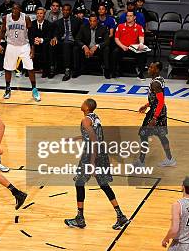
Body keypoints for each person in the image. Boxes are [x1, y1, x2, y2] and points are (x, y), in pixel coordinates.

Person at [64, 98, 129, 230]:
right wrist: (75, 138)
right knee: (104, 184)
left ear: (87, 107)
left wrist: (92, 163)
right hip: (101, 153)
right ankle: (120, 216)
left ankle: (80, 219)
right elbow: (94, 136)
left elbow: (93, 140)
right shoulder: (95, 117)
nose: (81, 104)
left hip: (91, 154)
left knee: (79, 183)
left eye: (84, 103)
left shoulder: (86, 120)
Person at [0, 3, 40, 101]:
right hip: (11, 45)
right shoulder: (6, 18)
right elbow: (2, 31)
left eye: (17, 9)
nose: (14, 10)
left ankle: (34, 89)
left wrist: (32, 49)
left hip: (24, 45)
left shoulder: (26, 18)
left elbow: (31, 34)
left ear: (20, 10)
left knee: (30, 68)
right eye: (13, 8)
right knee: (8, 68)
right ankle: (7, 88)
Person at [134, 62, 175, 167]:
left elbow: (161, 101)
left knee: (143, 134)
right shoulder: (159, 79)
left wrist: (154, 117)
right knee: (162, 136)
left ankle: (141, 161)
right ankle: (170, 159)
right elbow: (157, 99)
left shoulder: (155, 84)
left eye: (152, 67)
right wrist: (147, 105)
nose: (149, 68)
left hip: (156, 112)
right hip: (159, 110)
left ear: (157, 70)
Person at [112, 11, 147, 79]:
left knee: (142, 52)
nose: (128, 17)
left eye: (130, 16)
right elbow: (116, 39)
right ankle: (114, 72)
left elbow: (141, 38)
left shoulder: (139, 27)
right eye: (127, 16)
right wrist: (122, 46)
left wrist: (141, 44)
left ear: (134, 17)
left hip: (133, 49)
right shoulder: (120, 26)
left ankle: (141, 73)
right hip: (122, 48)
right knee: (115, 52)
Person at [75, 12, 111, 78]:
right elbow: (77, 39)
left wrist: (97, 46)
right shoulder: (83, 27)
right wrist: (84, 46)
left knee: (106, 48)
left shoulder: (103, 28)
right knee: (76, 48)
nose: (92, 23)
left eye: (94, 21)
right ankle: (77, 70)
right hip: (87, 48)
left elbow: (107, 41)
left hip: (97, 49)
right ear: (89, 21)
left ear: (97, 21)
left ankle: (107, 70)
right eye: (90, 21)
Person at [52, 3, 81, 80]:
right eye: (64, 10)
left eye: (67, 10)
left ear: (70, 11)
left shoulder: (76, 21)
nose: (65, 12)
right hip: (62, 41)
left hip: (73, 41)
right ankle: (52, 68)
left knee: (67, 44)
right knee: (52, 44)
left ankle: (67, 70)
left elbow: (80, 33)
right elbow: (56, 33)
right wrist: (54, 37)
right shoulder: (58, 22)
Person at [29, 8, 54, 78]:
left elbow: (49, 37)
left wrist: (41, 40)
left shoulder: (49, 24)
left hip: (44, 43)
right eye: (37, 13)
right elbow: (29, 35)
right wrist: (34, 40)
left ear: (44, 15)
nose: (39, 15)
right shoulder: (32, 23)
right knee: (28, 45)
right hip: (34, 43)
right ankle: (29, 69)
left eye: (41, 13)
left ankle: (45, 70)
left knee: (47, 46)